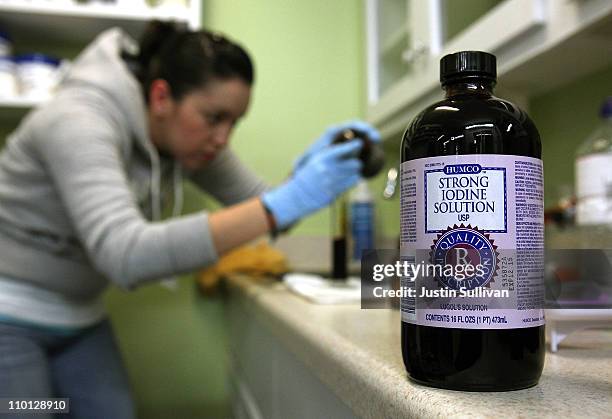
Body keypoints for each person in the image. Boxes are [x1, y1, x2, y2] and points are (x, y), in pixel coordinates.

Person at [0, 20, 380, 419]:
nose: (223, 138)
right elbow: (125, 255)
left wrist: (304, 175)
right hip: (9, 315)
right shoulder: (78, 120)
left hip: (80, 314)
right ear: (162, 96)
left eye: (233, 122)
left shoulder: (185, 139)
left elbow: (267, 210)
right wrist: (283, 202)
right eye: (214, 118)